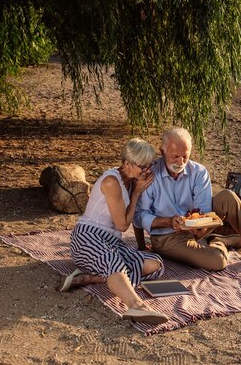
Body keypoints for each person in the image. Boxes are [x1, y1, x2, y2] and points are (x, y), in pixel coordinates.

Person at [134, 127, 241, 273]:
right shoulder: (149, 175)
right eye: (175, 157)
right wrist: (168, 222)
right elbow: (139, 216)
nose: (180, 163)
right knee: (218, 261)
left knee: (228, 197)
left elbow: (204, 210)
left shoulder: (199, 172)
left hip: (195, 230)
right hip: (167, 237)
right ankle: (219, 242)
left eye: (185, 157)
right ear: (162, 151)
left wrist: (202, 224)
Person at [59, 138, 169, 325]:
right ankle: (136, 305)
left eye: (149, 165)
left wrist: (137, 190)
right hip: (87, 237)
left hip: (112, 242)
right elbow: (122, 225)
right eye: (143, 167)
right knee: (113, 262)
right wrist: (136, 194)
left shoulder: (132, 180)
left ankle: (93, 278)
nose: (147, 171)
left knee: (154, 264)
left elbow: (132, 220)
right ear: (127, 163)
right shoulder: (112, 182)